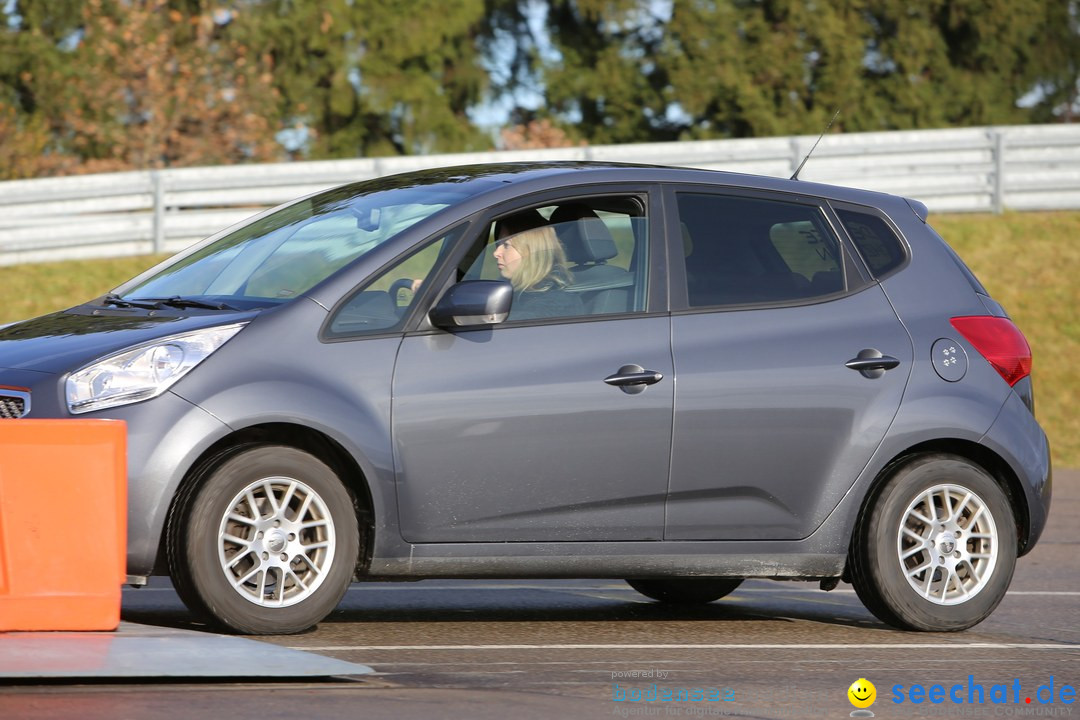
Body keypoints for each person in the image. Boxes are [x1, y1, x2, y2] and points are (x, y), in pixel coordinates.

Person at [493, 225, 584, 321]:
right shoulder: (513, 290)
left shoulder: (553, 306)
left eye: (506, 245)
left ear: (532, 251)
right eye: (498, 244)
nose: (496, 253)